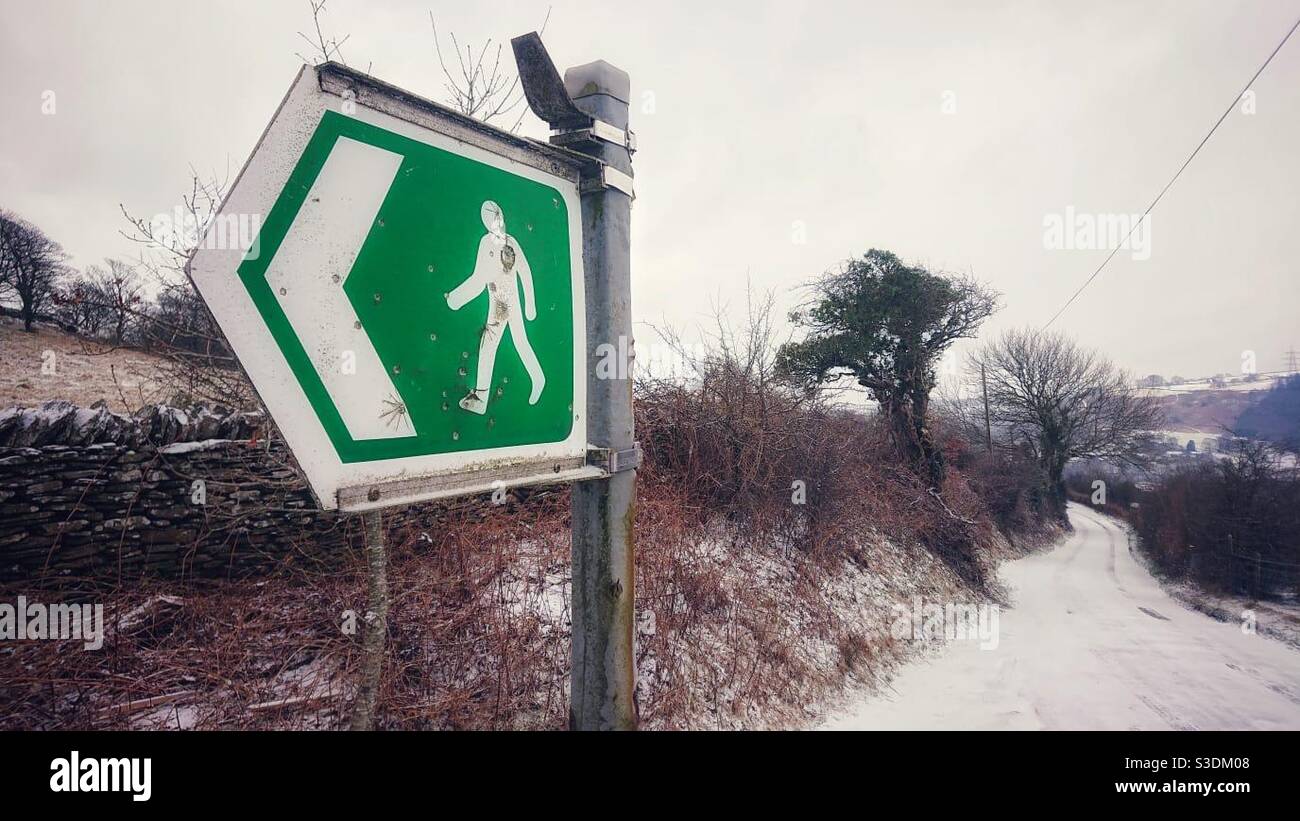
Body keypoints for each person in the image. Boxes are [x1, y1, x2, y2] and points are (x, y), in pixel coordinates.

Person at [446, 200, 546, 414]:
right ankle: (481, 399)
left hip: (511, 300)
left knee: (520, 342)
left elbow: (525, 272)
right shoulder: (485, 244)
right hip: (498, 303)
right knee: (489, 346)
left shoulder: (512, 243)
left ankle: (538, 379)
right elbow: (478, 279)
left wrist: (530, 304)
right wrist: (456, 298)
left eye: (497, 218)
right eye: (491, 220)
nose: (496, 223)